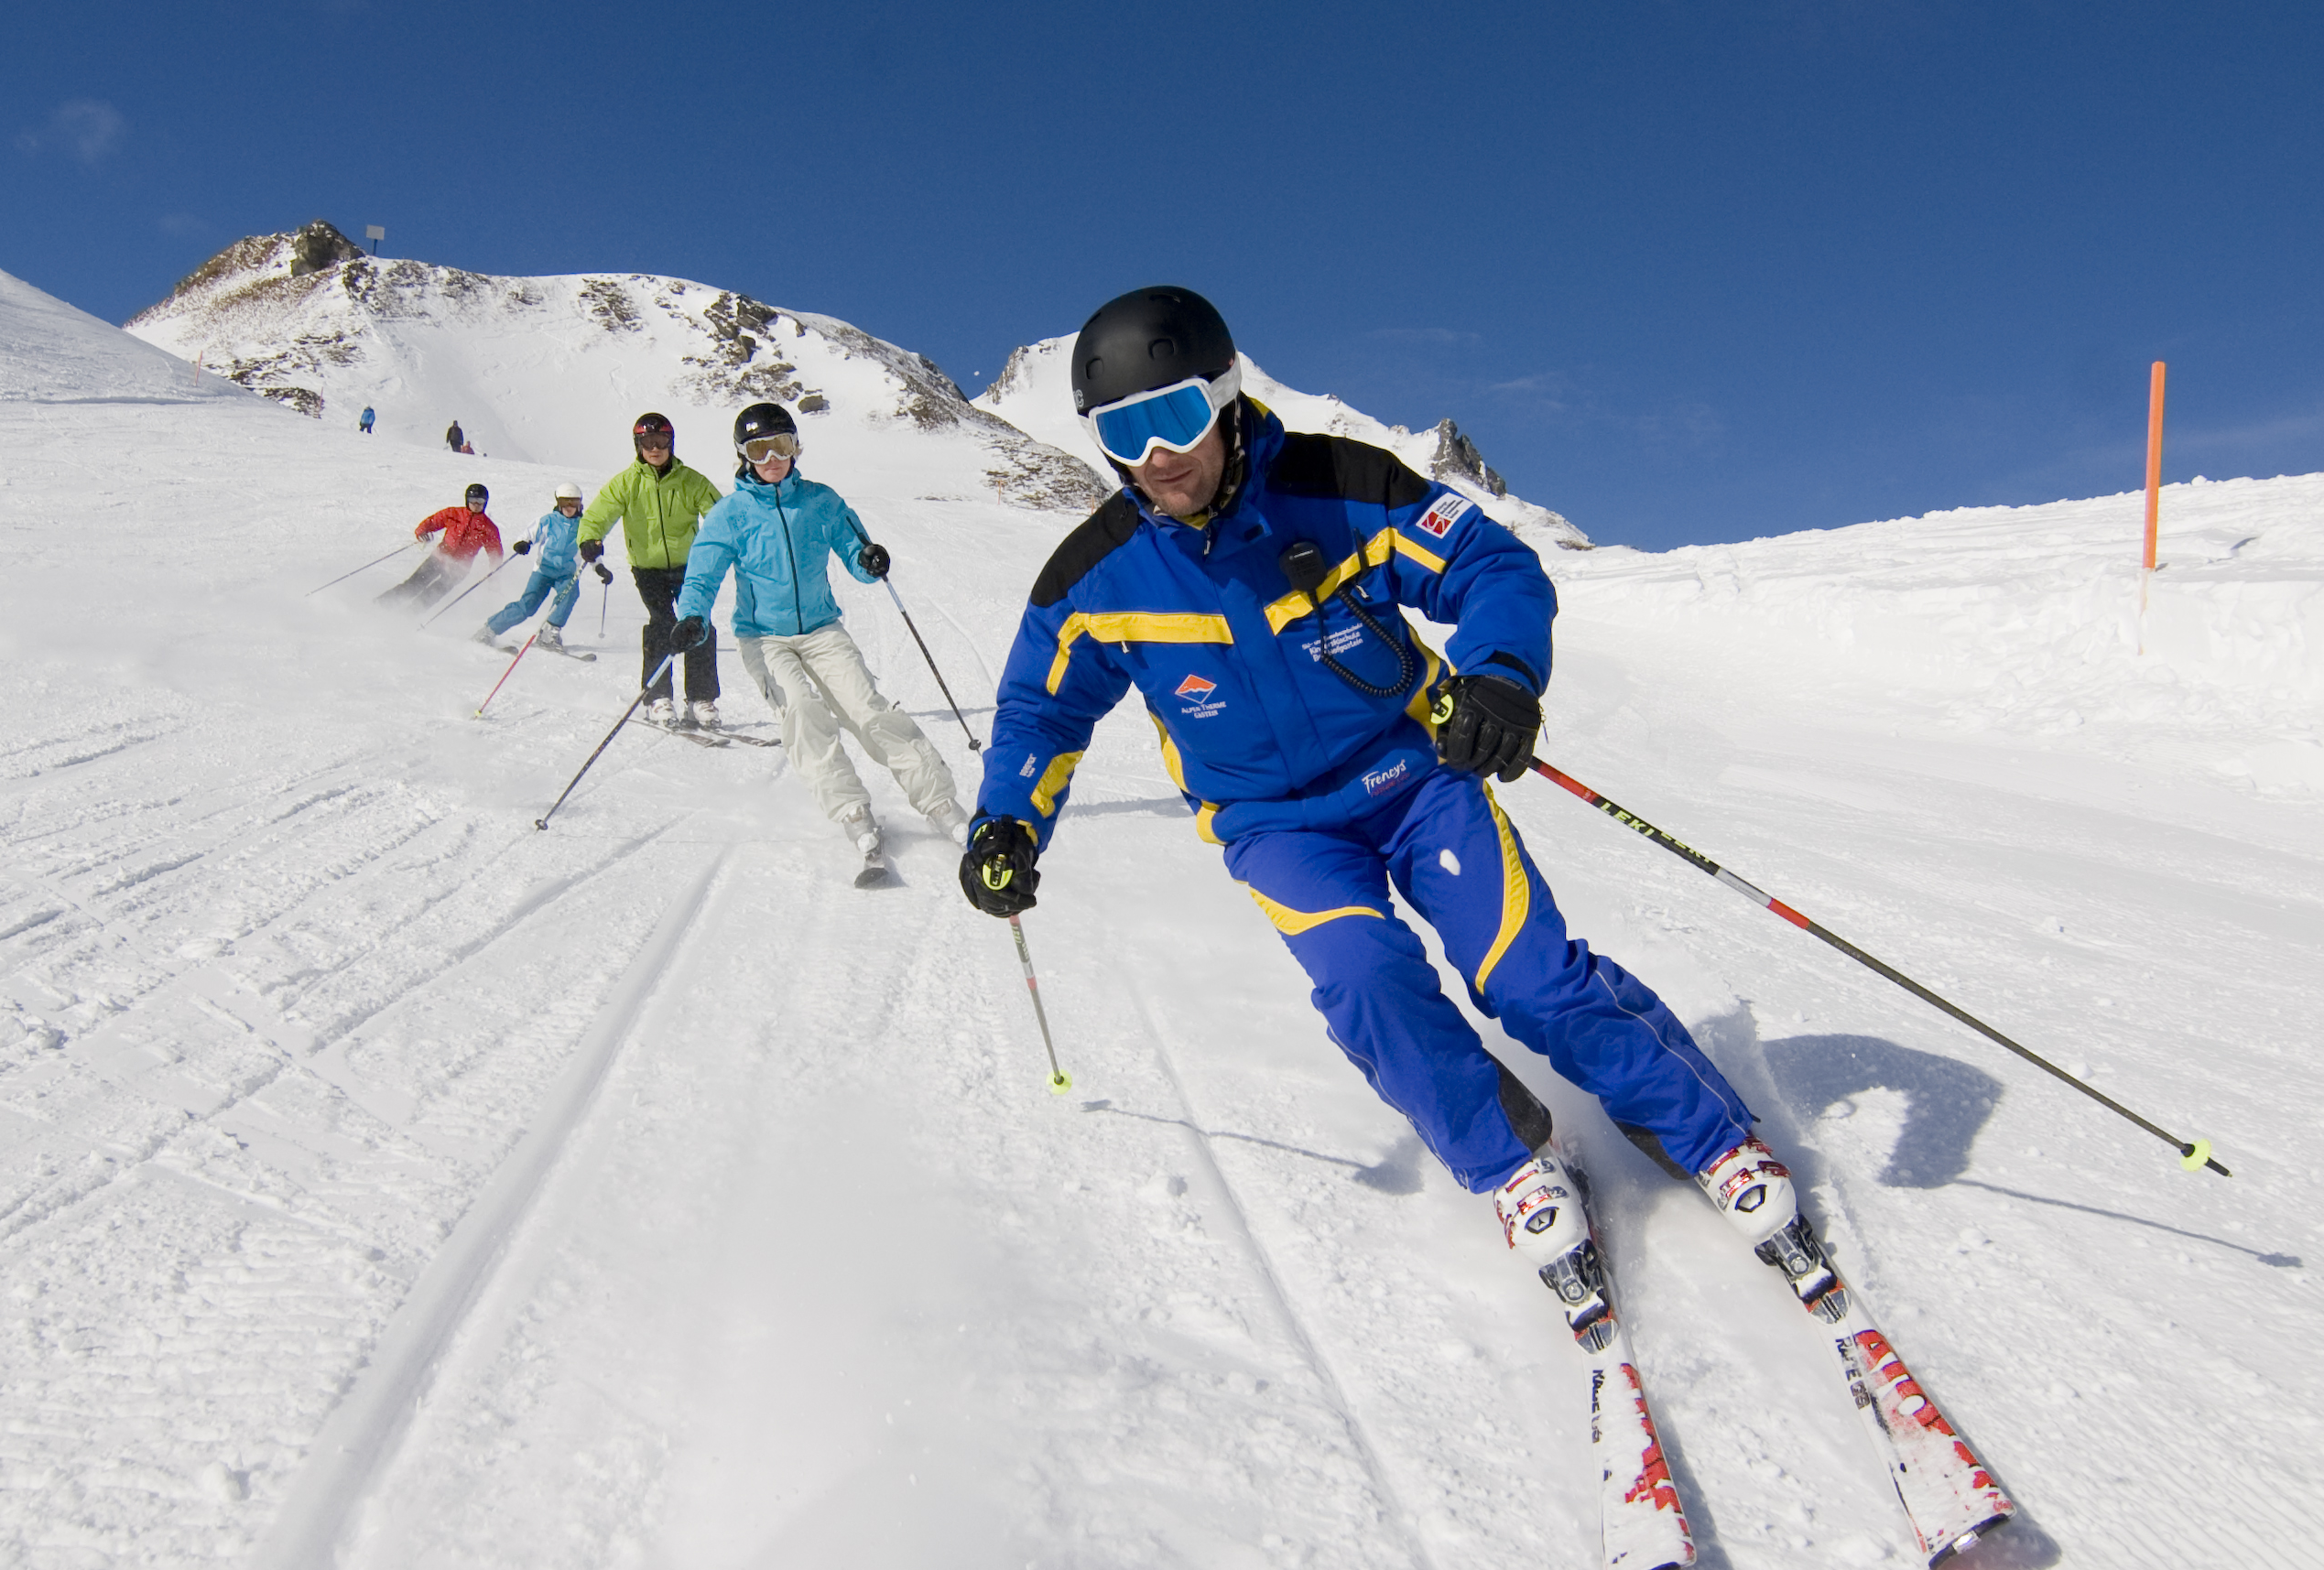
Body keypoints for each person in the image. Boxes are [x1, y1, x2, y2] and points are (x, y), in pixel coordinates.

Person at [959, 287, 1842, 1348]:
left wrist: (1501, 677)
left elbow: (1490, 565)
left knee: (1524, 972)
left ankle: (1709, 1136)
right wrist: (1006, 823)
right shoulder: (1095, 575)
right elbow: (1039, 709)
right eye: (1121, 430)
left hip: (1417, 779)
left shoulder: (1340, 486)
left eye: (1175, 418)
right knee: (1366, 985)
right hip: (1278, 827)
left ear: (1226, 399)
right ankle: (1515, 1161)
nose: (1155, 455)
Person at [673, 404, 964, 864]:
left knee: (867, 711)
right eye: (758, 448)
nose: (772, 457)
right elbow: (702, 576)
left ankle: (941, 803)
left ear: (795, 447)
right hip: (764, 638)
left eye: (782, 445)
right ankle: (851, 810)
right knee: (803, 713)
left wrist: (869, 560)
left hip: (822, 630)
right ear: (743, 456)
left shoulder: (820, 500)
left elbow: (855, 549)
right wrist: (691, 616)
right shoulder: (730, 514)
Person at [577, 411, 722, 728]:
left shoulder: (691, 481)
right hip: (648, 570)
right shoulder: (626, 483)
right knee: (662, 623)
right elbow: (598, 515)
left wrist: (731, 541)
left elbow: (720, 514)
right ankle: (658, 697)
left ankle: (700, 697)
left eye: (661, 441)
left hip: (689, 568)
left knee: (698, 624)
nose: (654, 449)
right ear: (638, 445)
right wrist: (589, 538)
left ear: (671, 443)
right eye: (647, 442)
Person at [478, 484, 609, 647]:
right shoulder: (548, 520)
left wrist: (599, 568)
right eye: (564, 502)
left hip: (567, 574)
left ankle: (549, 633)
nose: (569, 507)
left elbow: (590, 550)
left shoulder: (584, 526)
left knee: (569, 595)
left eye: (573, 503)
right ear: (558, 502)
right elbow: (529, 534)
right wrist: (523, 543)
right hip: (543, 571)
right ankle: (489, 630)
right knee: (527, 606)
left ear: (579, 504)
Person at [381, 482, 505, 606]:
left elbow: (495, 553)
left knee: (430, 596)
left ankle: (407, 617)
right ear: (467, 500)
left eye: (480, 501)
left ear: (485, 502)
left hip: (458, 569)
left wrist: (494, 574)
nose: (476, 505)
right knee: (413, 585)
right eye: (473, 500)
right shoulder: (454, 513)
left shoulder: (489, 528)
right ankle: (381, 604)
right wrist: (422, 532)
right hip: (438, 559)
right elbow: (432, 521)